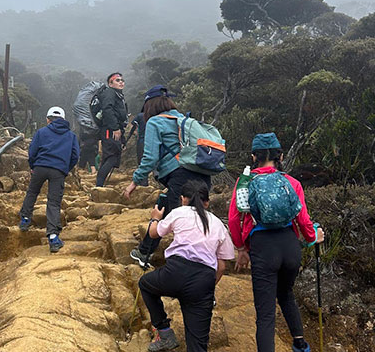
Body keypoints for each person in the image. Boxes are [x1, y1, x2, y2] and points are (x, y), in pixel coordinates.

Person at [227, 133, 325, 352]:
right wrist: (312, 237)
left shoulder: (244, 183)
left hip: (263, 248)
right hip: (290, 247)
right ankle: (300, 344)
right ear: (280, 156)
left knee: (265, 314)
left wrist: (241, 248)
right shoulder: (291, 182)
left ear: (254, 157)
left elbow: (234, 218)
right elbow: (303, 219)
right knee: (286, 294)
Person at [139, 180, 234, 352]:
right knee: (197, 344)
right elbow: (221, 266)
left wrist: (155, 217)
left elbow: (153, 233)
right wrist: (208, 288)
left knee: (145, 284)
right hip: (202, 280)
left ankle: (165, 332)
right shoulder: (218, 224)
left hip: (174, 273)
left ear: (183, 199)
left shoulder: (179, 213)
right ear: (207, 202)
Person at [124, 85, 211, 267]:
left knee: (184, 221)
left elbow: (150, 157)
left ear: (150, 105)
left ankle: (186, 267)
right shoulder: (184, 119)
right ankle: (144, 251)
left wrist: (134, 181)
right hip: (203, 175)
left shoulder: (155, 122)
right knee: (181, 211)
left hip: (179, 175)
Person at [19, 106, 80, 252]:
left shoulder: (41, 132)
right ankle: (53, 237)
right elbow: (75, 156)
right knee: (53, 202)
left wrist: (33, 165)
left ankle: (25, 220)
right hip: (58, 170)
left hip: (40, 166)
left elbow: (32, 151)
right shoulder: (71, 136)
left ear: (48, 119)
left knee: (32, 192)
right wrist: (65, 168)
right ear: (63, 119)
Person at [95, 72, 128, 187]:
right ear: (110, 83)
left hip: (113, 129)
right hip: (110, 130)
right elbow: (107, 109)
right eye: (117, 80)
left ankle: (99, 185)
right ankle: (98, 186)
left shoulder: (118, 95)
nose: (121, 82)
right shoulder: (110, 92)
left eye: (122, 80)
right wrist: (115, 127)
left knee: (108, 157)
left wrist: (122, 139)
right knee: (112, 157)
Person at [125, 112, 148, 185]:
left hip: (142, 140)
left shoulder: (140, 115)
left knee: (141, 161)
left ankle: (143, 182)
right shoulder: (156, 115)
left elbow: (133, 126)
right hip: (152, 140)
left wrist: (127, 140)